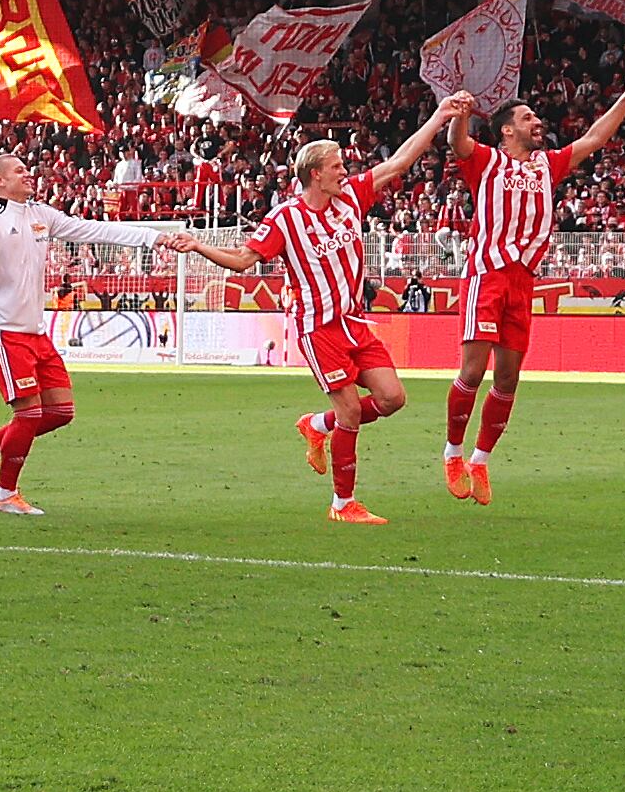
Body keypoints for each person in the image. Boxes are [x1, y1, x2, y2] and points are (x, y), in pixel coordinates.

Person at [171, 105, 460, 525]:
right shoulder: (285, 218)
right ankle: (344, 505)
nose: (345, 170)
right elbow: (242, 260)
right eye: (336, 165)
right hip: (318, 329)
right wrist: (197, 245)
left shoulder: (350, 199)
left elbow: (399, 162)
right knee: (352, 414)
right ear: (315, 175)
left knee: (393, 398)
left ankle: (317, 426)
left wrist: (438, 117)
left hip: (353, 323)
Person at [434, 65, 625, 500]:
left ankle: (480, 461)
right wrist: (461, 114)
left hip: (523, 281)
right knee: (473, 370)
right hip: (487, 275)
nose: (538, 122)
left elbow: (595, 138)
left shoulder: (546, 164)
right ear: (505, 131)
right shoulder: (486, 159)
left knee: (508, 379)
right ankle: (453, 452)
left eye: (536, 116)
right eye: (527, 117)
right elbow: (456, 143)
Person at [0, 145, 172, 516]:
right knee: (29, 415)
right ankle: (5, 494)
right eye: (19, 171)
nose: (27, 173)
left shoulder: (41, 215)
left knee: (61, 411)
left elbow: (93, 230)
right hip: (5, 331)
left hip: (36, 332)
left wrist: (150, 237)